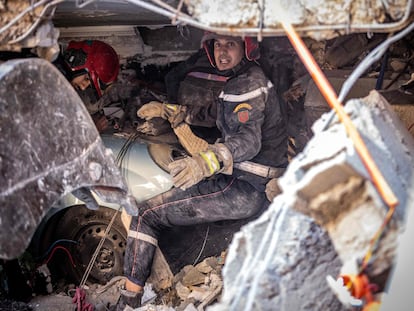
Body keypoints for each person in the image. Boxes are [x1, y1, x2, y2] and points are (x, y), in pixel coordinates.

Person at [115, 32, 288, 310]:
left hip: (245, 187)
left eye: (230, 44)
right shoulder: (239, 80)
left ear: (247, 48)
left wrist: (204, 163)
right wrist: (168, 109)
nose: (222, 52)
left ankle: (129, 301)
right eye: (217, 45)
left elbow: (248, 140)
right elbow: (212, 114)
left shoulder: (248, 85)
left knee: (144, 215)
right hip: (246, 181)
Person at [54, 39, 120, 132]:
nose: (83, 87)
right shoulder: (49, 86)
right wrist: (92, 131)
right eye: (87, 79)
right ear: (76, 62)